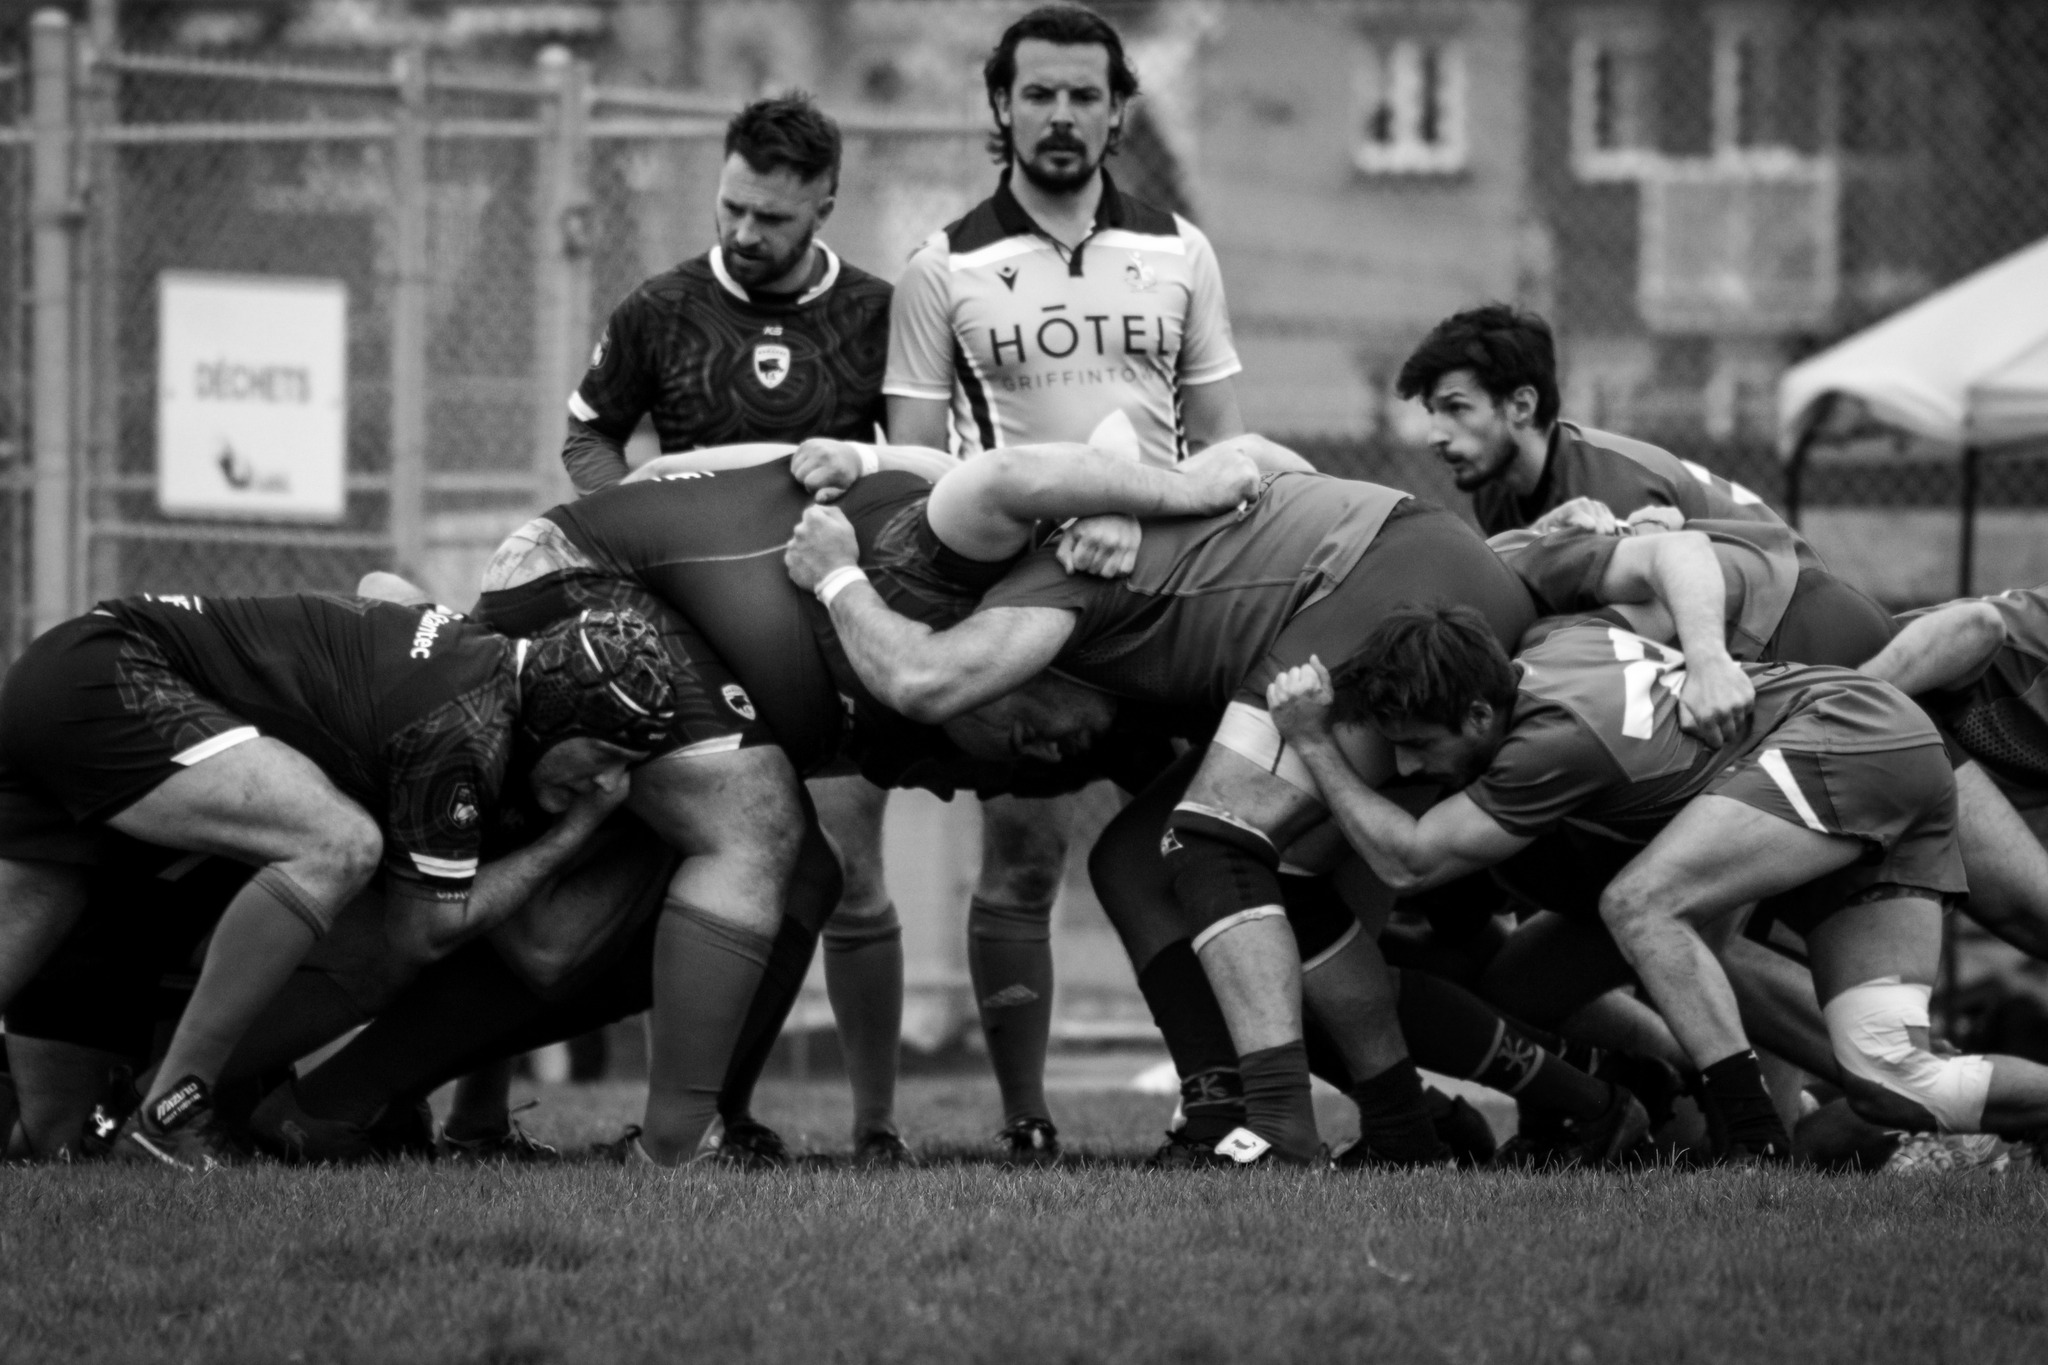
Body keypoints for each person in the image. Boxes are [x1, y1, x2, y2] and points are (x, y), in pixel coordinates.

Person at [259, 441, 1260, 1164]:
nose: (1041, 756)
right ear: (1031, 643)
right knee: (760, 826)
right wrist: (1181, 483)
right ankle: (675, 1147)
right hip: (587, 586)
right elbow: (1011, 468)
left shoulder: (1025, 700)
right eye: (1052, 729)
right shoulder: (969, 561)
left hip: (667, 632)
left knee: (642, 917)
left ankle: (330, 1100)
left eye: (1058, 761)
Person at [788, 465, 1562, 1165]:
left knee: (1214, 840)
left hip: (1396, 584)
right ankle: (1288, 1115)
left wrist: (836, 576)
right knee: (1135, 863)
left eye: (1018, 725)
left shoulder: (1053, 586)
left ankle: (1285, 1132)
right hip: (1396, 574)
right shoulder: (1103, 543)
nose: (1047, 755)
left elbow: (922, 679)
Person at [1265, 606, 2048, 1159]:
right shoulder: (1552, 636)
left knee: (1643, 903)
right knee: (1899, 1081)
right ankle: (1673, 1087)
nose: (1406, 768)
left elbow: (1411, 858)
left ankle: (1752, 1137)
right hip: (1867, 756)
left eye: (1417, 746)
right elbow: (1661, 555)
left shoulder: (1550, 740)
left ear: (1477, 714)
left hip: (1851, 733)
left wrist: (1312, 741)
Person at [876, 2, 1248, 1160]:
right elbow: (919, 476)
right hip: (1028, 613)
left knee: (1203, 846)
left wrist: (1130, 511)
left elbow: (1226, 453)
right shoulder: (941, 266)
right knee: (1025, 860)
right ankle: (1025, 1117)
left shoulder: (1182, 250)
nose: (1059, 115)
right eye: (1037, 93)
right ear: (1000, 105)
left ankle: (1223, 1098)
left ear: (1117, 108)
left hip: (1165, 597)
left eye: (1083, 94)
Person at [0, 596, 675, 1167]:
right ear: (558, 712)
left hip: (65, 676)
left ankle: (153, 1104)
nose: (611, 785)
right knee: (339, 844)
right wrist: (571, 832)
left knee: (56, 1138)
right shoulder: (465, 724)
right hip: (113, 674)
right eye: (609, 757)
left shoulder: (480, 665)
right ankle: (172, 1108)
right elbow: (427, 930)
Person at [1396, 305, 1780, 537]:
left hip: (1792, 610)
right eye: (1432, 411)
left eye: (1456, 408)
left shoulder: (1616, 489)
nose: (1435, 435)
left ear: (1521, 406)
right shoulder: (1494, 494)